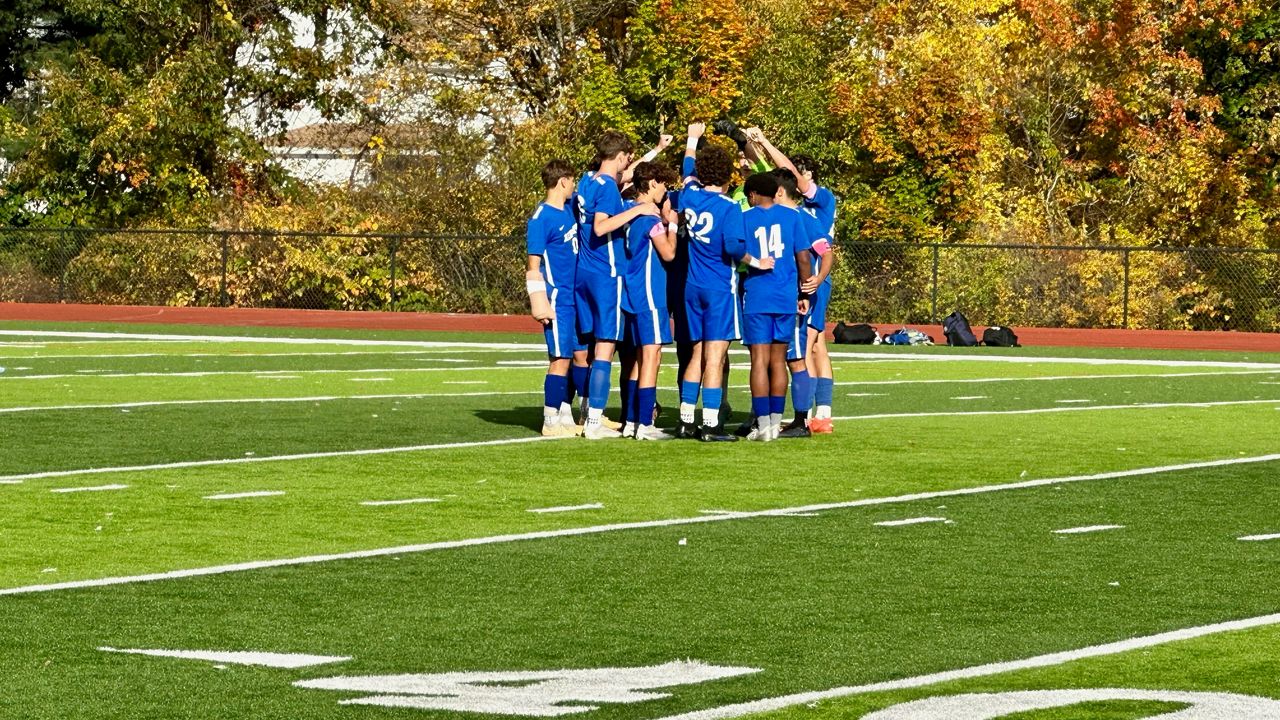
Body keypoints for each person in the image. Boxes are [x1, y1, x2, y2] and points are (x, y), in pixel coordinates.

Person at [748, 128, 839, 432]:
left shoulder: (803, 214)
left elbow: (824, 252)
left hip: (800, 293)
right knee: (796, 351)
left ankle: (803, 418)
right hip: (785, 292)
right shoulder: (781, 215)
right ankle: (794, 416)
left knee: (799, 351)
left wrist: (815, 279)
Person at [575, 132, 661, 439]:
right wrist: (637, 209)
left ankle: (586, 412)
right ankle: (594, 421)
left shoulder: (587, 179)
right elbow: (601, 227)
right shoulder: (609, 188)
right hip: (606, 272)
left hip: (584, 270)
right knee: (605, 347)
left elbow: (624, 174)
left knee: (590, 347)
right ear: (621, 156)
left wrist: (656, 150)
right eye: (628, 158)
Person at [675, 123, 747, 442]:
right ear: (728, 175)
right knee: (715, 357)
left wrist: (692, 139)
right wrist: (755, 260)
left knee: (696, 354)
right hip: (719, 286)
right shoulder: (729, 207)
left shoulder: (690, 196)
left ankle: (685, 420)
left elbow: (687, 170)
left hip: (693, 285)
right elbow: (733, 248)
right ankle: (711, 424)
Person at [739, 172, 814, 441]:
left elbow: (734, 249)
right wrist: (804, 291)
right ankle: (774, 423)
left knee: (759, 361)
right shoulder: (793, 216)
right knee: (779, 361)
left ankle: (762, 425)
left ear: (753, 194)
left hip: (757, 295)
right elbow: (803, 257)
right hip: (784, 296)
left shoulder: (745, 217)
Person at [621, 161, 680, 440]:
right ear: (652, 183)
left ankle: (631, 420)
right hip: (650, 295)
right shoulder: (650, 221)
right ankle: (645, 423)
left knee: (638, 359)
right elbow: (668, 254)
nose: (664, 191)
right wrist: (673, 225)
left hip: (633, 294)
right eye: (663, 184)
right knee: (651, 357)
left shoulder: (630, 216)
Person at [525, 160, 582, 437]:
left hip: (574, 295)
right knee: (559, 358)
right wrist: (539, 300)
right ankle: (550, 420)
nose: (574, 186)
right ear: (563, 181)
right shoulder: (541, 218)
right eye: (572, 180)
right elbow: (533, 265)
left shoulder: (568, 209)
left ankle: (565, 414)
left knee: (575, 355)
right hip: (557, 297)